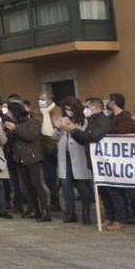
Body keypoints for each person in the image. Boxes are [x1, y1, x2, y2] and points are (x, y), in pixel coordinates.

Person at [4, 99, 51, 222]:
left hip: (32, 157)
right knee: (27, 185)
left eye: (9, 112)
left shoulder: (32, 121)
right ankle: (35, 209)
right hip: (20, 158)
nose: (8, 114)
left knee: (37, 184)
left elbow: (31, 136)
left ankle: (45, 210)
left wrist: (16, 128)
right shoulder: (14, 123)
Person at [52, 96, 95, 225]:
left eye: (70, 109)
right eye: (66, 109)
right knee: (66, 185)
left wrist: (72, 127)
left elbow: (85, 137)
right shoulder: (63, 119)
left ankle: (86, 213)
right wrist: (59, 128)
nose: (68, 111)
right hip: (65, 155)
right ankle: (70, 213)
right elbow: (54, 137)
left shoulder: (84, 121)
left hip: (79, 155)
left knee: (83, 186)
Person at [105, 93, 135, 227]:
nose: (107, 102)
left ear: (114, 102)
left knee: (130, 187)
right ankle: (122, 212)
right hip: (114, 156)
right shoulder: (110, 117)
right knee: (118, 187)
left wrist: (107, 129)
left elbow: (124, 131)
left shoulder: (125, 116)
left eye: (109, 100)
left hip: (126, 156)